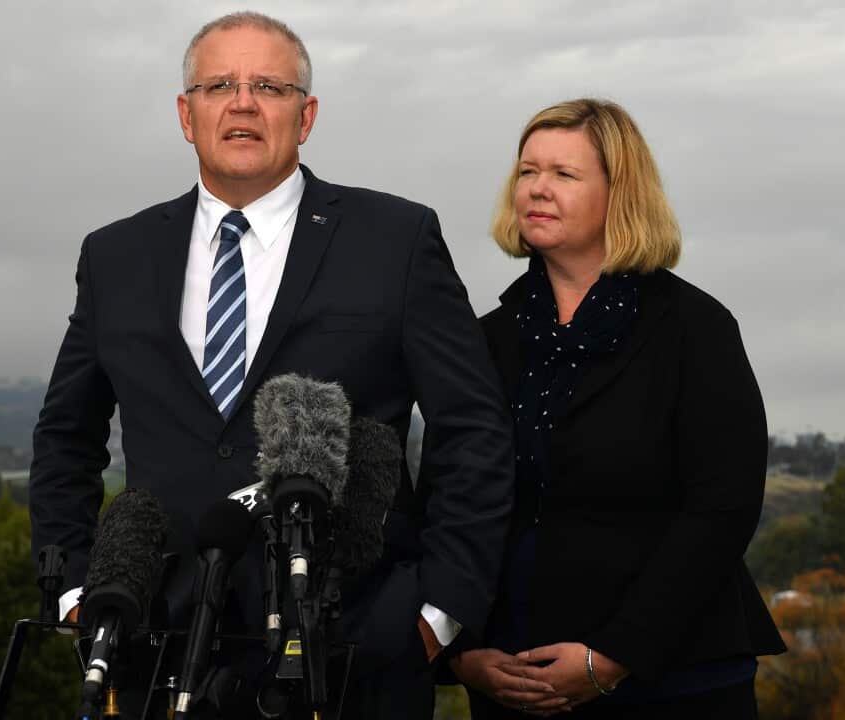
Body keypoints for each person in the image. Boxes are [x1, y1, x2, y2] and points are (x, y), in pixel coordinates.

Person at [27, 11, 514, 720]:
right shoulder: (115, 256)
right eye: (219, 84)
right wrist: (77, 592)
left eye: (270, 86)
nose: (243, 102)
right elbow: (66, 437)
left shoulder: (396, 239)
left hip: (353, 651)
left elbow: (473, 428)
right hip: (157, 653)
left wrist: (437, 612)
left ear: (306, 115)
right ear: (186, 115)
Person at [449, 99, 786, 718]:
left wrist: (613, 656)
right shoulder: (486, 339)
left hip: (674, 677)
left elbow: (722, 508)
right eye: (528, 171)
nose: (537, 190)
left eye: (564, 175)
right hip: (513, 682)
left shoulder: (694, 328)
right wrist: (463, 652)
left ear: (621, 194)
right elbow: (451, 502)